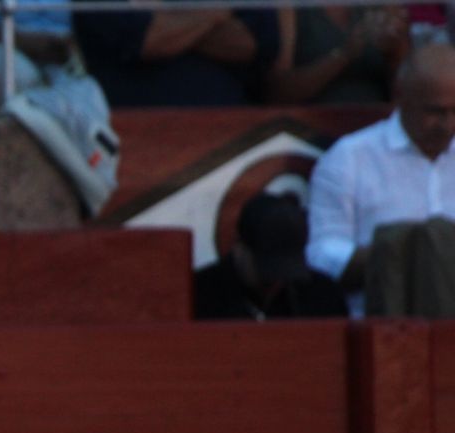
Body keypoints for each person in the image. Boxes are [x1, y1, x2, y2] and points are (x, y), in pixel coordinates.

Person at [306, 40, 455, 312]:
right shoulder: (349, 158)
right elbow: (321, 254)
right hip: (380, 327)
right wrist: (397, 255)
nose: (448, 124)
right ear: (400, 96)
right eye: (436, 112)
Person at [73, 0, 280, 106]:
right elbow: (147, 41)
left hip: (231, 137)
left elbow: (252, 43)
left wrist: (171, 21)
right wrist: (217, 12)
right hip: (131, 140)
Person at [193, 192, 348, 320]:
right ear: (240, 249)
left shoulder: (321, 295)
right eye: (266, 270)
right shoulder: (199, 296)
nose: (276, 281)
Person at [264, 5, 408, 105]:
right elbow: (278, 92)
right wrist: (344, 54)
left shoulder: (384, 6)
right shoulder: (290, 7)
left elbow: (411, 88)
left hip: (377, 124)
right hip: (310, 127)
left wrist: (394, 52)